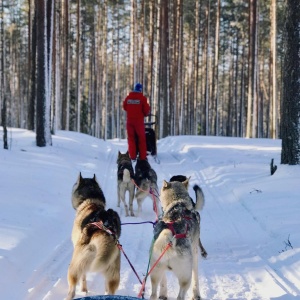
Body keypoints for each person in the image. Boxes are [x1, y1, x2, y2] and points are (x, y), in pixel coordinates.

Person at [123, 82, 150, 161]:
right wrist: (144, 113)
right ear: (140, 90)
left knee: (131, 139)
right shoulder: (142, 98)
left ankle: (132, 156)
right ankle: (142, 157)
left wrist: (131, 111)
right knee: (141, 139)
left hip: (130, 121)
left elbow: (125, 107)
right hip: (138, 122)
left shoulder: (128, 98)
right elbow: (146, 110)